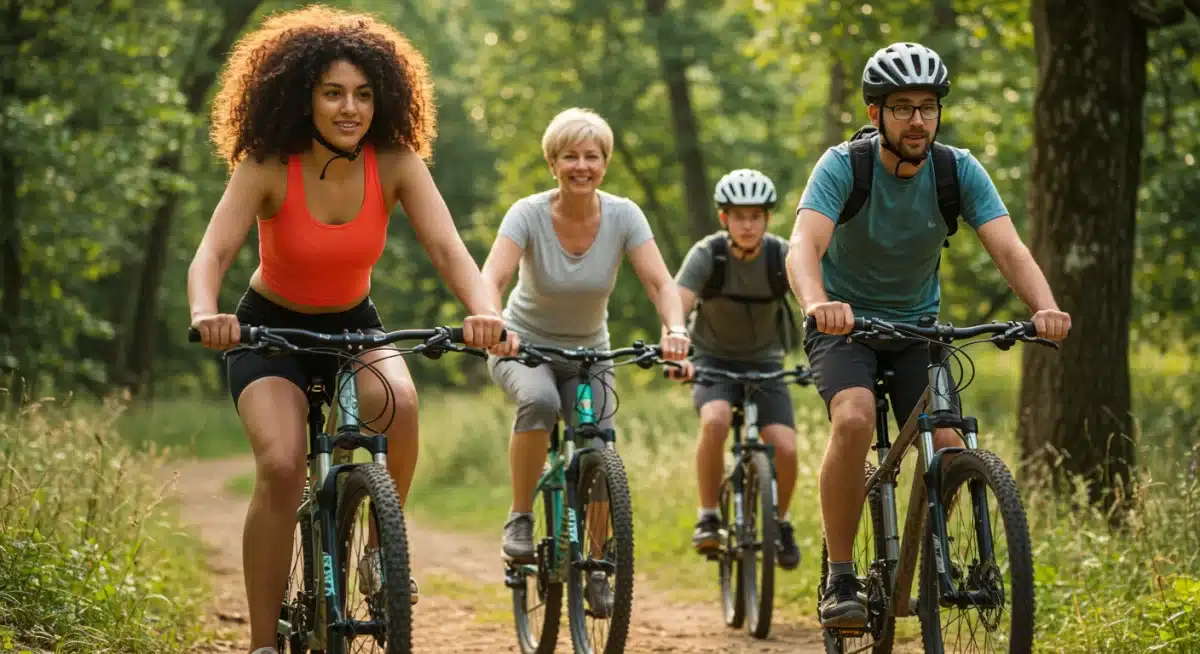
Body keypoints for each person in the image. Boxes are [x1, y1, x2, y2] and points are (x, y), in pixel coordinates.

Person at [186, 6, 507, 653]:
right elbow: (212, 255)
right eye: (332, 92)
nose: (349, 107)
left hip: (355, 325)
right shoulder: (268, 162)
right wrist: (205, 313)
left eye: (362, 94)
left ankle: (382, 550)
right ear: (303, 95)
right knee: (281, 467)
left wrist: (486, 311)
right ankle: (262, 642)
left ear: (381, 98)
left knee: (403, 405)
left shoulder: (396, 162)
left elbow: (449, 250)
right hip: (268, 332)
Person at [786, 41, 1072, 628]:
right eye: (902, 107)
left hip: (919, 326)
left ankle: (956, 564)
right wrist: (818, 303)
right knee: (855, 418)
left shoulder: (957, 170)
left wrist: (1045, 307)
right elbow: (803, 247)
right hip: (847, 325)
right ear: (876, 115)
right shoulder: (844, 166)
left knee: (950, 443)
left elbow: (1010, 250)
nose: (917, 119)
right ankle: (841, 576)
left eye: (927, 107)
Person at [480, 107, 691, 617]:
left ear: (605, 162)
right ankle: (520, 517)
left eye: (591, 156)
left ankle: (597, 562)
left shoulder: (623, 216)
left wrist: (676, 329)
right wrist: (493, 322)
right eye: (570, 156)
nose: (581, 165)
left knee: (597, 442)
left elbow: (661, 284)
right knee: (539, 399)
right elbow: (492, 278)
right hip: (524, 346)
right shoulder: (528, 214)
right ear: (553, 162)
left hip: (589, 350)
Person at [667, 169, 802, 570]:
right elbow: (678, 303)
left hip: (766, 363)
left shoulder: (782, 256)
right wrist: (675, 346)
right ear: (724, 218)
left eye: (755, 216)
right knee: (716, 420)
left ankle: (781, 521)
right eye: (739, 216)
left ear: (767, 219)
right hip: (712, 360)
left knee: (786, 445)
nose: (747, 224)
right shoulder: (709, 254)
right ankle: (708, 514)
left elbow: (814, 302)